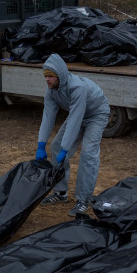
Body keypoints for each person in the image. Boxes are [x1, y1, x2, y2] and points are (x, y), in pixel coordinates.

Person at [35, 54, 110, 217]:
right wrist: (41, 145)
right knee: (55, 146)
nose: (47, 80)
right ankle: (60, 193)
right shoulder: (51, 91)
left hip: (96, 114)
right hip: (78, 113)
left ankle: (84, 199)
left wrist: (66, 150)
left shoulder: (77, 88)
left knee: (88, 153)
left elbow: (75, 120)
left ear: (59, 76)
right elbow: (48, 118)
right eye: (45, 76)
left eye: (50, 76)